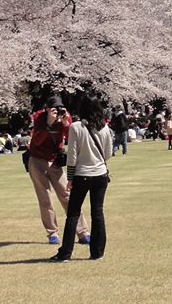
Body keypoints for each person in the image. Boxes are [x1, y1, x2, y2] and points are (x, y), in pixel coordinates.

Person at [51, 96, 113, 262]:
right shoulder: (104, 128)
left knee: (73, 214)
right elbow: (108, 153)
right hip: (100, 174)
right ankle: (97, 252)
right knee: (97, 212)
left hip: (82, 174)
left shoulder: (76, 127)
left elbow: (71, 156)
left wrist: (70, 178)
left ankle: (65, 253)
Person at [29, 97, 89, 246]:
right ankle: (52, 233)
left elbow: (72, 139)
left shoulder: (65, 116)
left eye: (60, 108)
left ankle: (83, 232)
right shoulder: (39, 117)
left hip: (55, 161)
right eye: (54, 109)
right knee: (45, 198)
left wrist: (66, 124)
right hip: (37, 160)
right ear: (47, 109)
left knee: (67, 196)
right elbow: (37, 141)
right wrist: (49, 123)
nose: (57, 111)